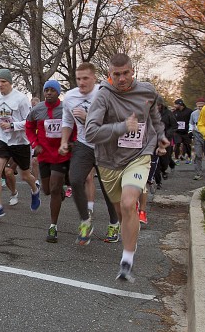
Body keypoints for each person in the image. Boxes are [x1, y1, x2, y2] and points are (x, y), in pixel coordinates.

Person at [85, 53, 169, 281]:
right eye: (116, 74)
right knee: (123, 213)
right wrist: (122, 127)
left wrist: (160, 136)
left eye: (125, 73)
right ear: (109, 75)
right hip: (109, 161)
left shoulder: (148, 91)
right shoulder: (103, 96)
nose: (121, 79)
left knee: (129, 202)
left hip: (139, 155)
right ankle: (129, 238)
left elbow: (154, 117)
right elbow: (90, 132)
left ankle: (127, 261)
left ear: (133, 72)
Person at [58, 62, 120, 245]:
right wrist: (63, 141)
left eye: (85, 78)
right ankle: (85, 221)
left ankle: (114, 223)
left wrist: (89, 118)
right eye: (78, 79)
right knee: (75, 180)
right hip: (84, 145)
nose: (82, 82)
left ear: (94, 78)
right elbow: (67, 121)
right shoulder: (70, 97)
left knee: (108, 188)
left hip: (105, 145)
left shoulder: (105, 93)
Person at [0, 68, 40, 218]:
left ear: (10, 83)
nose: (0, 84)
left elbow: (29, 122)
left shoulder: (20, 99)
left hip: (20, 141)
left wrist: (12, 126)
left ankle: (35, 191)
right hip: (3, 140)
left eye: (3, 82)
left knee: (25, 175)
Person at [26, 80, 72, 243]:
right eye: (47, 90)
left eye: (53, 90)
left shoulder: (66, 108)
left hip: (60, 155)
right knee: (47, 190)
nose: (49, 93)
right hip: (44, 154)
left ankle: (53, 226)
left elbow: (73, 126)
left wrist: (69, 143)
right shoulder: (38, 109)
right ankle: (58, 192)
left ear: (58, 92)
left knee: (54, 189)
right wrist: (35, 144)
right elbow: (29, 127)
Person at [157, 98, 177, 181]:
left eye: (157, 105)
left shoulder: (168, 114)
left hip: (166, 139)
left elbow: (174, 126)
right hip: (153, 138)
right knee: (154, 158)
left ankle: (163, 170)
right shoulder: (150, 113)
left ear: (161, 105)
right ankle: (156, 176)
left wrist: (167, 134)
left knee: (165, 159)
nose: (156, 107)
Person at [189, 97, 205, 180]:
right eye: (198, 106)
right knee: (198, 154)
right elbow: (191, 123)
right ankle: (198, 173)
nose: (200, 108)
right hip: (197, 135)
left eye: (202, 106)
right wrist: (190, 131)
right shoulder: (194, 114)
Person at [173, 99, 192, 163]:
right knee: (177, 144)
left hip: (186, 132)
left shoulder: (189, 111)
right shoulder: (174, 112)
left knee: (187, 145)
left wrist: (190, 130)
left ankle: (189, 157)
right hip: (177, 132)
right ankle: (176, 158)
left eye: (176, 104)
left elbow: (191, 121)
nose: (174, 106)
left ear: (180, 104)